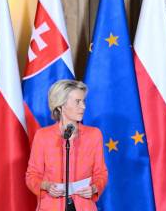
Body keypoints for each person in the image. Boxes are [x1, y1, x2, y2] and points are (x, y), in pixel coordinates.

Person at [26, 80, 107, 210]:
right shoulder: (42, 136)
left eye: (83, 101)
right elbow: (32, 175)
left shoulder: (94, 135)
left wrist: (94, 188)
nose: (83, 107)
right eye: (77, 102)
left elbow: (101, 173)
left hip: (84, 206)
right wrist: (46, 186)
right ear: (61, 105)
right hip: (51, 206)